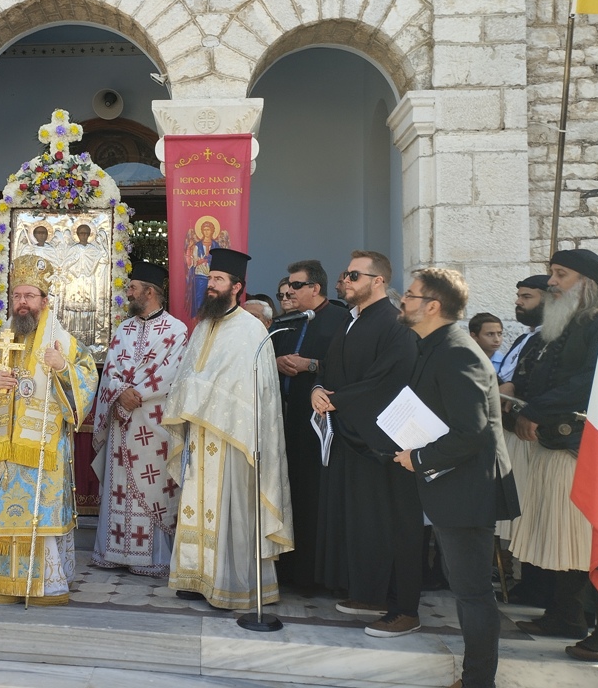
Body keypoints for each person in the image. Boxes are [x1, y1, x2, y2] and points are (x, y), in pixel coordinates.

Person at [394, 267, 519, 688]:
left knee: (472, 594)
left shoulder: (456, 351)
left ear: (432, 306)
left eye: (410, 296)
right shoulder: (434, 345)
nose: (403, 301)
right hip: (450, 484)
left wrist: (421, 457)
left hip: (467, 489)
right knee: (466, 591)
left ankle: (478, 681)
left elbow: (473, 430)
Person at [0, 254, 98, 604]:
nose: (22, 303)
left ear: (44, 301)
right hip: (3, 453)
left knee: (40, 513)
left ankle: (45, 585)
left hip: (43, 452)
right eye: (17, 296)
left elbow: (87, 379)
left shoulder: (63, 344)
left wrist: (64, 368)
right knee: (1, 515)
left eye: (30, 296)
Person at [164, 248, 292, 609]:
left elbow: (257, 391)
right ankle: (195, 575)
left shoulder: (251, 330)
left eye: (219, 280)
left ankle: (231, 582)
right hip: (200, 434)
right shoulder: (204, 325)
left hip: (234, 437)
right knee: (195, 505)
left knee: (229, 510)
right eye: (211, 280)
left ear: (237, 286)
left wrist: (202, 394)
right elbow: (188, 375)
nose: (212, 286)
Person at [310, 251, 421, 635]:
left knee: (386, 523)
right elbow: (329, 367)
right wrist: (319, 389)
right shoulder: (351, 320)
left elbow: (388, 380)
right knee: (359, 521)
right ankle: (369, 592)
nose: (346, 280)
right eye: (345, 273)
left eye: (354, 274)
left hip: (381, 442)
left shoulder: (394, 323)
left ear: (378, 281)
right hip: (348, 434)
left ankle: (397, 604)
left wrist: (336, 400)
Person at [507, 249, 598, 652]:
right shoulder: (569, 321)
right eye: (552, 274)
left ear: (586, 283)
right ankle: (566, 614)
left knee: (591, 540)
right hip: (558, 442)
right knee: (570, 539)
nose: (551, 283)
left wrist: (535, 409)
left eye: (560, 275)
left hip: (585, 448)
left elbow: (588, 381)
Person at [91, 262, 188, 577]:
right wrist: (120, 392)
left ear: (150, 291)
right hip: (122, 421)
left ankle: (152, 557)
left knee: (153, 487)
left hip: (152, 422)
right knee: (120, 486)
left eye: (133, 287)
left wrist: (139, 395)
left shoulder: (176, 330)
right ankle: (115, 551)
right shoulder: (124, 328)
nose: (128, 292)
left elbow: (172, 373)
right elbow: (110, 369)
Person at [274, 259, 347, 590]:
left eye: (296, 285)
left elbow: (347, 367)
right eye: (289, 284)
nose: (289, 290)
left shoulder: (341, 320)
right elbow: (269, 354)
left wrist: (312, 364)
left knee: (314, 499)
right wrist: (276, 361)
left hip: (322, 425)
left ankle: (314, 575)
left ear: (315, 288)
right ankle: (287, 569)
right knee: (290, 494)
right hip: (286, 419)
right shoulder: (287, 320)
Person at [496, 274, 550, 605]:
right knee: (521, 515)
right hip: (512, 433)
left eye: (527, 297)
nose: (519, 302)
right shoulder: (524, 339)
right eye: (518, 296)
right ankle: (529, 582)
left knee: (534, 515)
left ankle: (542, 588)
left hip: (533, 437)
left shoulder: (551, 341)